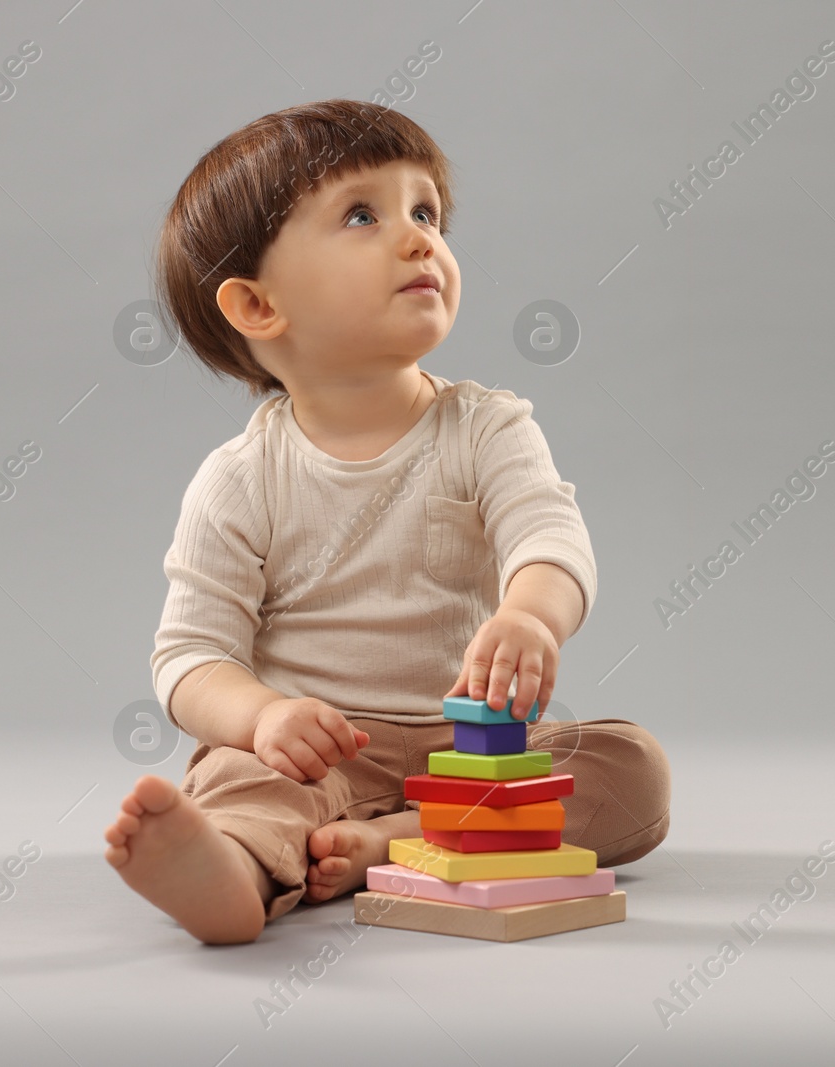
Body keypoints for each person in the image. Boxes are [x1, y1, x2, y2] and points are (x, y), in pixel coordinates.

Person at [103, 99, 670, 944]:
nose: (419, 239)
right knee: (243, 783)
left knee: (632, 767)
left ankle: (396, 840)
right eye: (363, 214)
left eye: (426, 212)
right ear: (258, 306)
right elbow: (190, 657)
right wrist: (262, 717)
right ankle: (225, 871)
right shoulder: (240, 479)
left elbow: (548, 536)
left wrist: (528, 614)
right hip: (318, 757)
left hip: (474, 746)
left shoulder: (488, 427)